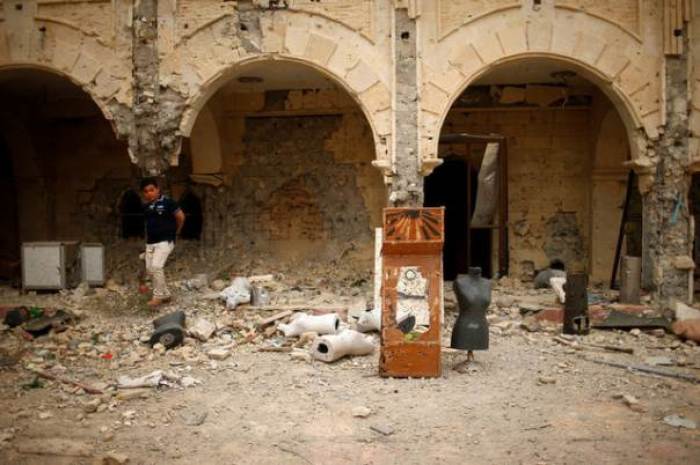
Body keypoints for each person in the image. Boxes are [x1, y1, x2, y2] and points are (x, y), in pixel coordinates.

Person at [141, 178, 185, 307]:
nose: (149, 193)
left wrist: (176, 232)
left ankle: (158, 297)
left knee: (157, 267)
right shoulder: (146, 207)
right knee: (150, 270)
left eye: (151, 190)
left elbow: (181, 217)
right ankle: (165, 294)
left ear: (157, 189)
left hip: (165, 241)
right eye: (146, 191)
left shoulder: (168, 202)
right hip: (151, 242)